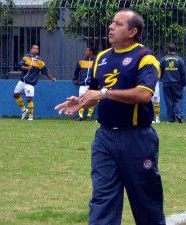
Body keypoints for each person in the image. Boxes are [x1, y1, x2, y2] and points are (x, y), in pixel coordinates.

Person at [55, 9, 165, 225]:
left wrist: (104, 93)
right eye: (111, 22)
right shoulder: (102, 58)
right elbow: (96, 93)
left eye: (118, 24)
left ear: (133, 31)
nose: (111, 27)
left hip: (137, 139)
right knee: (102, 199)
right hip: (104, 139)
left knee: (146, 202)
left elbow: (143, 94)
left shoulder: (145, 58)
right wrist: (82, 101)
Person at [13, 44, 56, 121]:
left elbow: (45, 72)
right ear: (31, 49)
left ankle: (30, 117)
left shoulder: (40, 61)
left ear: (38, 51)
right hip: (22, 81)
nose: (35, 49)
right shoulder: (26, 57)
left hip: (30, 83)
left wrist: (51, 78)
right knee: (15, 95)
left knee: (29, 99)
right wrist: (27, 67)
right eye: (34, 48)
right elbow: (20, 65)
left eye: (37, 48)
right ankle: (24, 110)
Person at [160, 43, 186, 123]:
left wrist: (162, 79)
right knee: (178, 99)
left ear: (167, 50)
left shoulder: (163, 59)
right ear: (175, 50)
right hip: (177, 83)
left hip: (166, 82)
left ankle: (170, 119)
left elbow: (160, 71)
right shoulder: (180, 60)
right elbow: (183, 73)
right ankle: (179, 115)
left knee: (169, 100)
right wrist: (183, 84)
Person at [73, 47, 96, 121]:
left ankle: (89, 116)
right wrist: (75, 79)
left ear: (91, 52)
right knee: (81, 100)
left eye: (87, 50)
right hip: (82, 84)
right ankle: (80, 116)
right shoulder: (81, 61)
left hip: (91, 85)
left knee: (92, 100)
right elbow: (76, 71)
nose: (85, 52)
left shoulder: (96, 61)